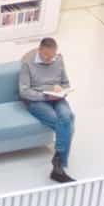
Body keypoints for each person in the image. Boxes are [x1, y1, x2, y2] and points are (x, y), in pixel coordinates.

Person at [19, 36, 77, 184]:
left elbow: (66, 83)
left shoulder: (58, 60)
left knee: (68, 116)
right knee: (65, 123)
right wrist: (44, 96)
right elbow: (24, 91)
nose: (49, 59)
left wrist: (61, 89)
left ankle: (57, 161)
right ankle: (59, 166)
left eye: (52, 56)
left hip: (57, 98)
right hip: (37, 101)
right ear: (39, 50)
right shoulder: (27, 63)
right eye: (46, 56)